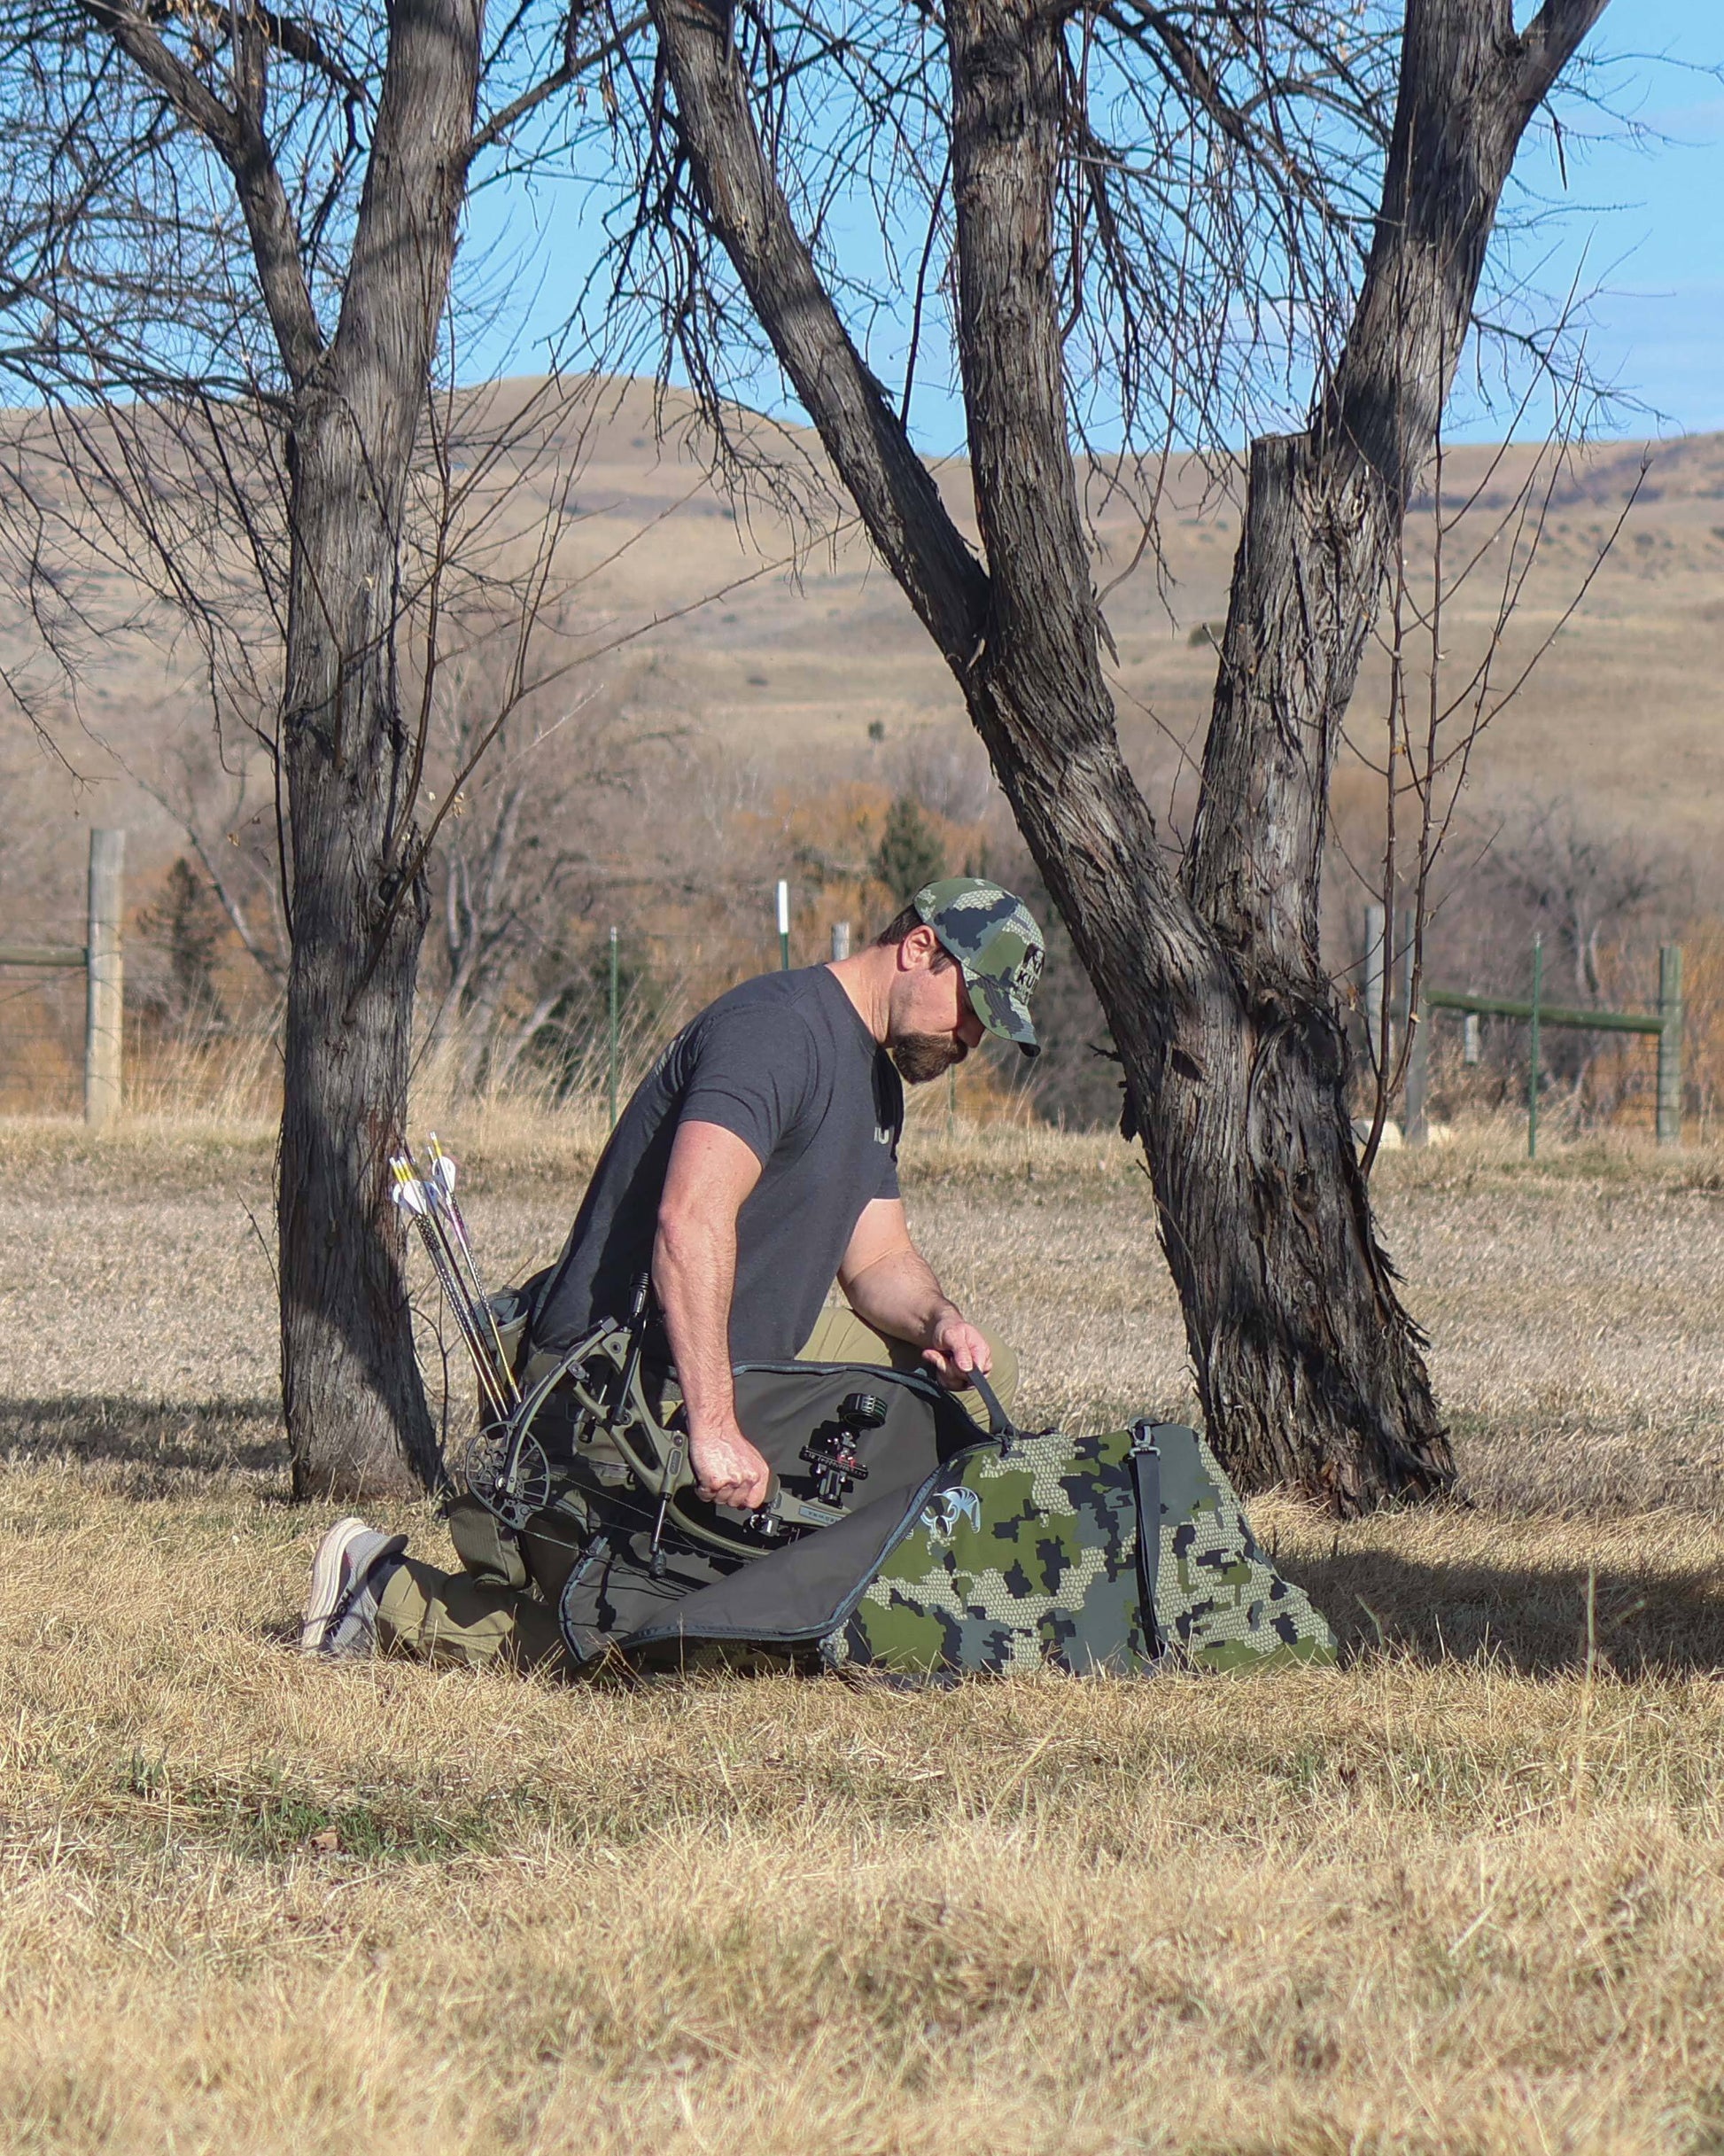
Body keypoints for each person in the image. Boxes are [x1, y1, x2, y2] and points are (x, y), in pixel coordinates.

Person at [299, 876, 1046, 1672]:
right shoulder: (780, 1030)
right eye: (975, 1006)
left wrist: (940, 1320)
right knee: (673, 1645)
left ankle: (863, 1577)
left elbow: (878, 1260)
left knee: (959, 1377)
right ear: (920, 948)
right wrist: (715, 1427)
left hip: (745, 1372)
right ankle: (378, 1589)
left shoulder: (875, 1083)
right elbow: (688, 1221)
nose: (974, 1036)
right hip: (615, 1396)